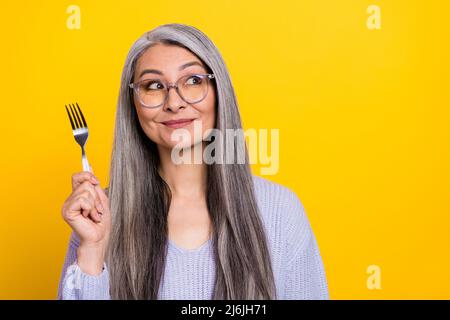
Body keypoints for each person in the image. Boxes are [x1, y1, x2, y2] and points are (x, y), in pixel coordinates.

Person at [58, 23, 328, 300]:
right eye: (153, 85)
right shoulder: (98, 217)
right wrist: (93, 249)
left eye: (193, 81)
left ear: (218, 92)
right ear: (133, 105)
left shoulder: (280, 210)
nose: (174, 102)